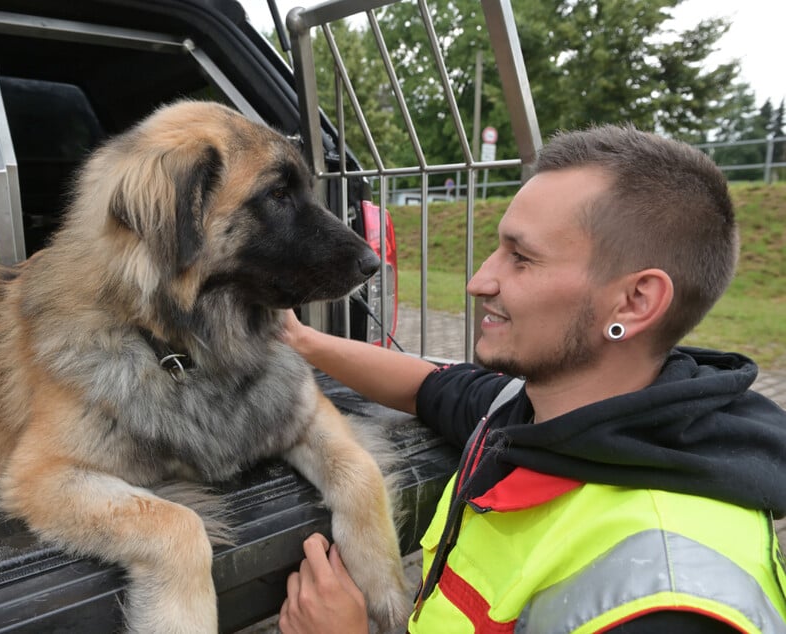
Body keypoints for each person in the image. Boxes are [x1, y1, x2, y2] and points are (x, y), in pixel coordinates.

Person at [277, 124, 786, 633]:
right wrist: (303, 340)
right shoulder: (544, 408)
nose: (479, 282)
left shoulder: (665, 598)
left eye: (521, 259)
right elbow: (428, 385)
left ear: (635, 302)